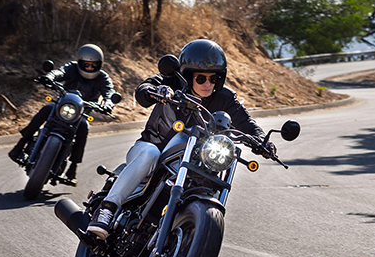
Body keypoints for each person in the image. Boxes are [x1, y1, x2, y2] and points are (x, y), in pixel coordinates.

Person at [86, 38, 274, 239]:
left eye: (213, 78)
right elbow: (143, 89)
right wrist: (156, 92)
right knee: (150, 153)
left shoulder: (225, 98)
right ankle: (107, 208)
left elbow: (246, 123)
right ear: (188, 75)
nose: (207, 84)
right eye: (201, 78)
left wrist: (262, 140)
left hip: (194, 158)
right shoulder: (170, 82)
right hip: (152, 150)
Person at [8, 44, 116, 185]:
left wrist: (108, 103)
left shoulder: (103, 77)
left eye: (93, 65)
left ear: (99, 65)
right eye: (86, 64)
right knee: (46, 109)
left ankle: (73, 167)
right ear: (80, 62)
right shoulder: (72, 68)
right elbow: (59, 72)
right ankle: (20, 145)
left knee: (84, 126)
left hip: (81, 113)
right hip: (61, 105)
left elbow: (109, 91)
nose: (89, 68)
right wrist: (49, 77)